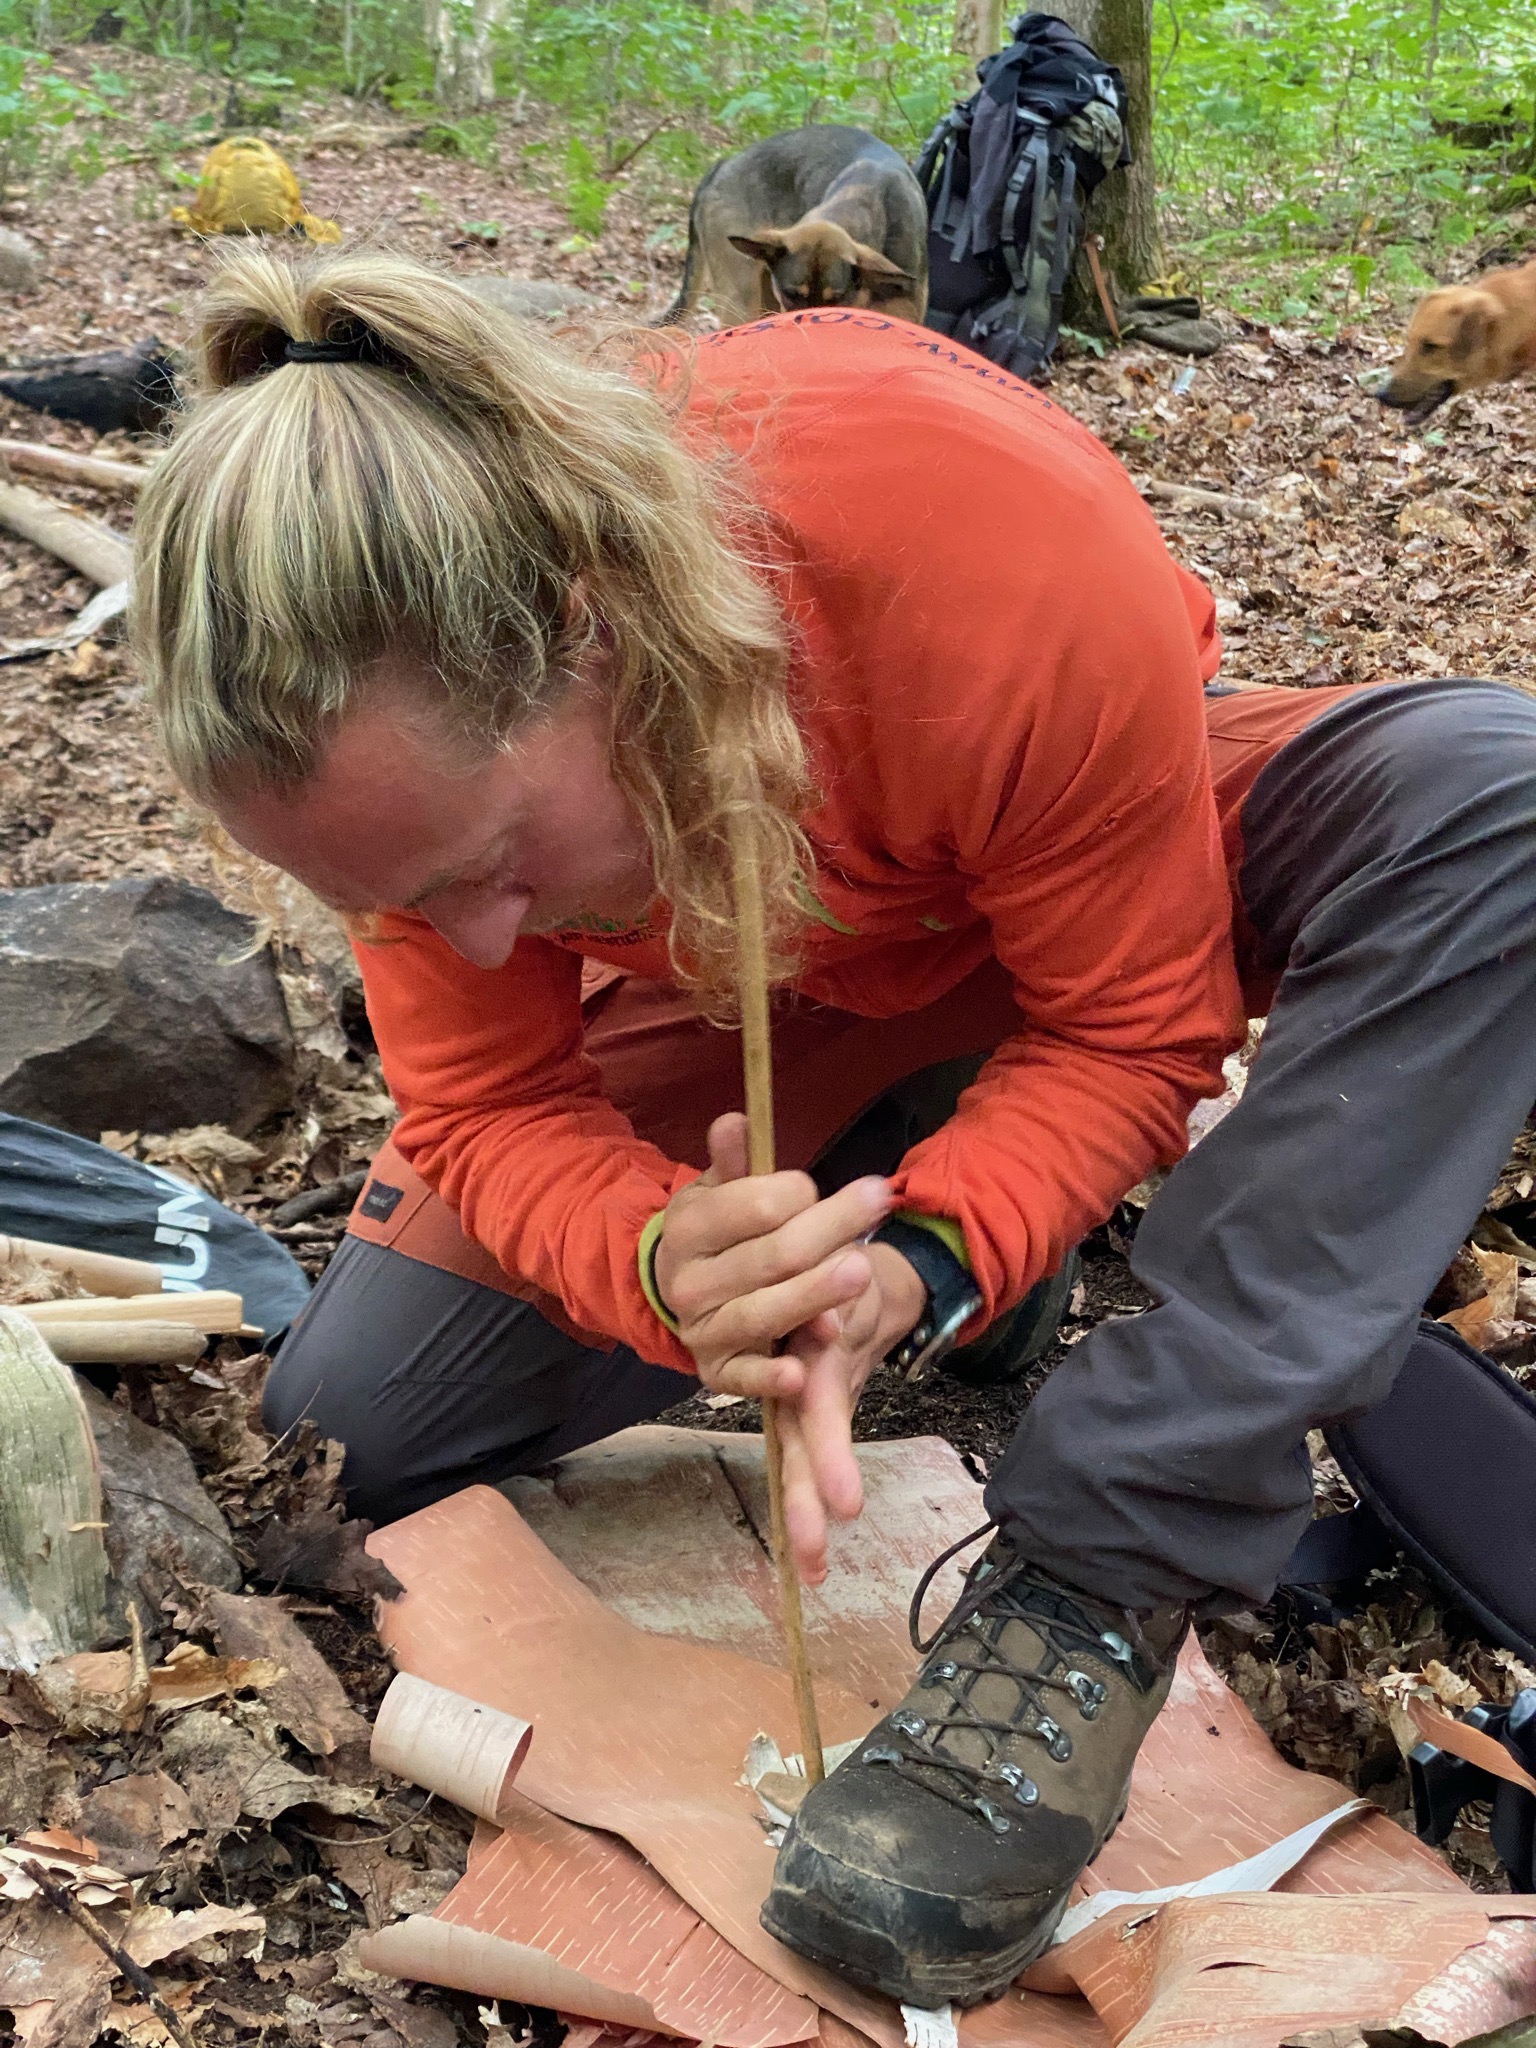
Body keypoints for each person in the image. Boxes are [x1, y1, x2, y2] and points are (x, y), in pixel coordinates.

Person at [133, 248, 1536, 2008]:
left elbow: (1133, 1021)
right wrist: (661, 1256)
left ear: (589, 628)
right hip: (756, 983)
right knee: (361, 1428)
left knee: (1496, 799)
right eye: (407, 907)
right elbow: (489, 1093)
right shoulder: (383, 744)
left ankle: (1104, 1561)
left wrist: (917, 1255)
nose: (481, 944)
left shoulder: (970, 528)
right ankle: (947, 1157)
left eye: (489, 871)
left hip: (1070, 886)